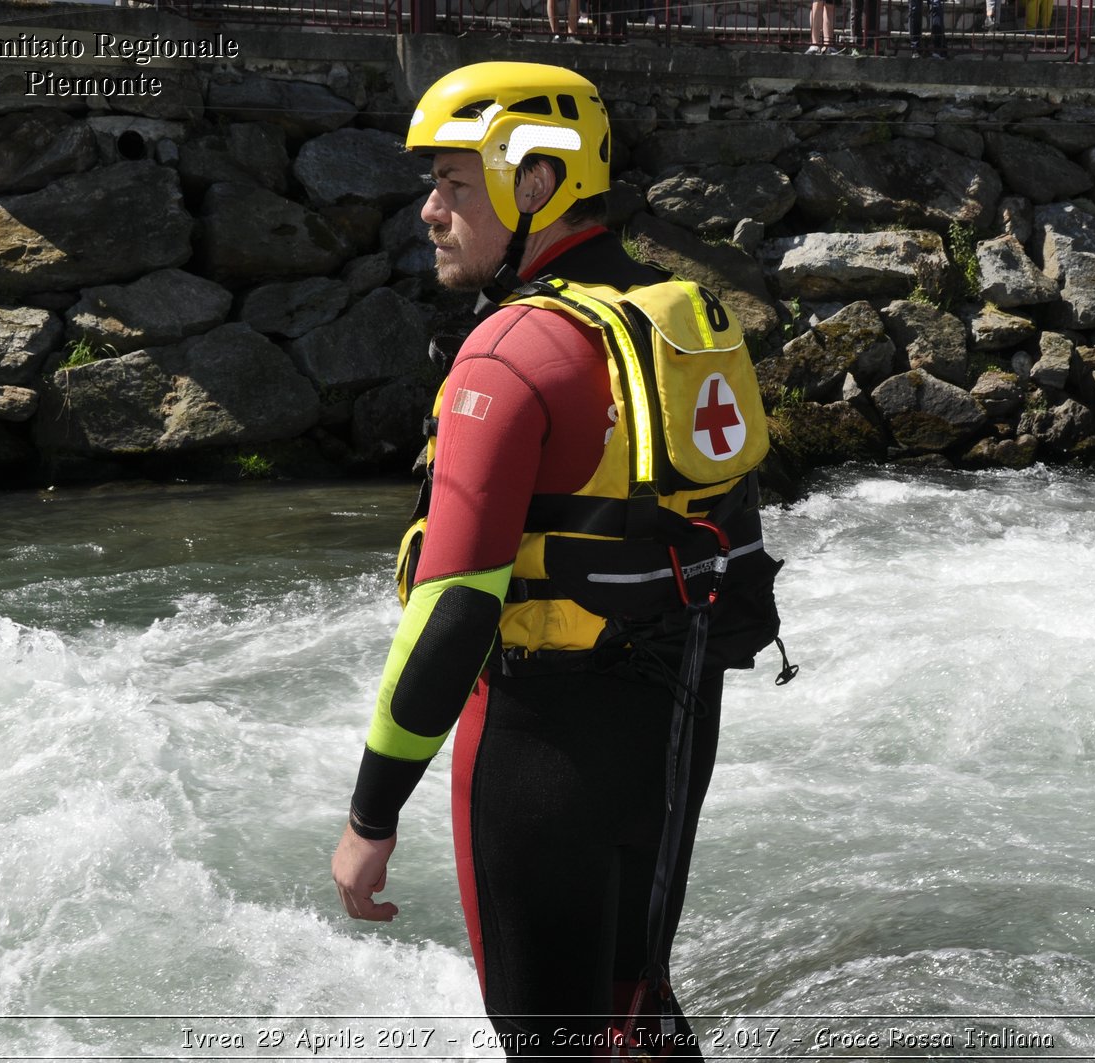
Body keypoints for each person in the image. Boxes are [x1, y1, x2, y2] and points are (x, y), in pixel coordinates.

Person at [330, 61, 786, 1058]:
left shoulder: (508, 355)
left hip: (541, 751)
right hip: (670, 733)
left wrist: (370, 815)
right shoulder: (687, 319)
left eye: (453, 184)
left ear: (534, 184)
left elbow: (452, 612)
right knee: (637, 1011)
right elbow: (730, 561)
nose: (428, 212)